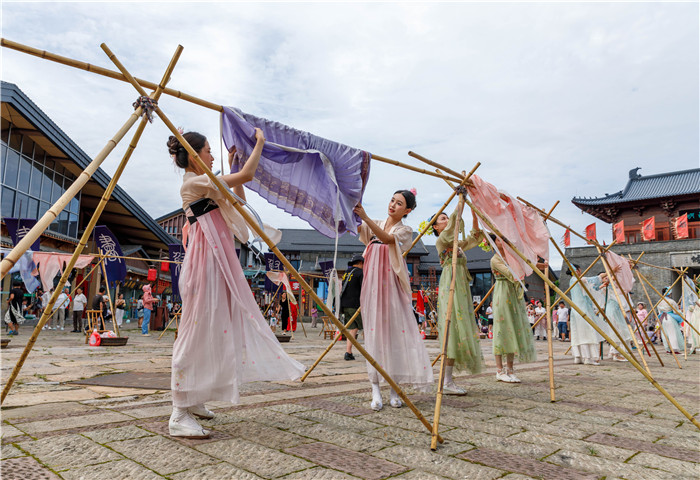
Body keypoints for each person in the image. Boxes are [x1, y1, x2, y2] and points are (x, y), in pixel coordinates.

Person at [167, 129, 304, 438]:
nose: (212, 156)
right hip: (205, 263)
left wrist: (232, 171)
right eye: (208, 151)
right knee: (196, 328)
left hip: (218, 261)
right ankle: (178, 411)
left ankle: (195, 396)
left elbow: (239, 200)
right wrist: (259, 144)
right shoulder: (193, 183)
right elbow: (249, 172)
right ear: (193, 155)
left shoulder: (208, 184)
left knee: (214, 327)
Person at [354, 189, 432, 411]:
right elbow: (355, 226)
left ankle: (394, 388)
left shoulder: (404, 230)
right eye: (392, 200)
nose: (393, 205)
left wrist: (365, 216)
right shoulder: (375, 224)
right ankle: (375, 389)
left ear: (407, 210)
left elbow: (388, 239)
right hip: (372, 288)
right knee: (374, 335)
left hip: (392, 288)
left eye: (399, 204)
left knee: (394, 336)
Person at [431, 207, 485, 394]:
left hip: (462, 288)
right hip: (450, 285)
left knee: (458, 330)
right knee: (451, 331)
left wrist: (474, 216)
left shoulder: (457, 245)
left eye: (447, 218)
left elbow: (475, 237)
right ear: (436, 227)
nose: (447, 221)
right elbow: (450, 230)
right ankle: (446, 382)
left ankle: (448, 380)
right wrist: (458, 208)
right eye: (442, 219)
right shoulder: (441, 241)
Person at [489, 235, 537, 383]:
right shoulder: (495, 259)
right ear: (493, 243)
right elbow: (511, 273)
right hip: (502, 293)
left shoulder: (512, 257)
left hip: (514, 295)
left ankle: (510, 369)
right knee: (501, 330)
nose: (501, 242)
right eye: (498, 240)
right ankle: (499, 370)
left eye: (503, 239)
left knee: (512, 331)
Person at [568, 265, 607, 365]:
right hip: (582, 309)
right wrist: (610, 271)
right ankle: (588, 358)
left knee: (578, 333)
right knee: (587, 332)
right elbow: (596, 278)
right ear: (577, 271)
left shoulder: (572, 281)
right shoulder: (579, 279)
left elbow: (593, 286)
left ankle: (578, 356)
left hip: (575, 310)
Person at [340, 254, 364, 361]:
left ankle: (348, 352)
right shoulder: (360, 273)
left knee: (352, 329)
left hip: (345, 305)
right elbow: (364, 288)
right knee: (366, 328)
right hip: (355, 305)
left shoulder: (346, 273)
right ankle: (371, 352)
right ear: (360, 263)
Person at [658, 287, 684, 354]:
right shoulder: (671, 301)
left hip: (663, 318)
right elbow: (675, 311)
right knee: (672, 333)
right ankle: (674, 349)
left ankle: (668, 349)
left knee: (665, 334)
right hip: (670, 318)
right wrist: (680, 312)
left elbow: (659, 311)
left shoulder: (660, 301)